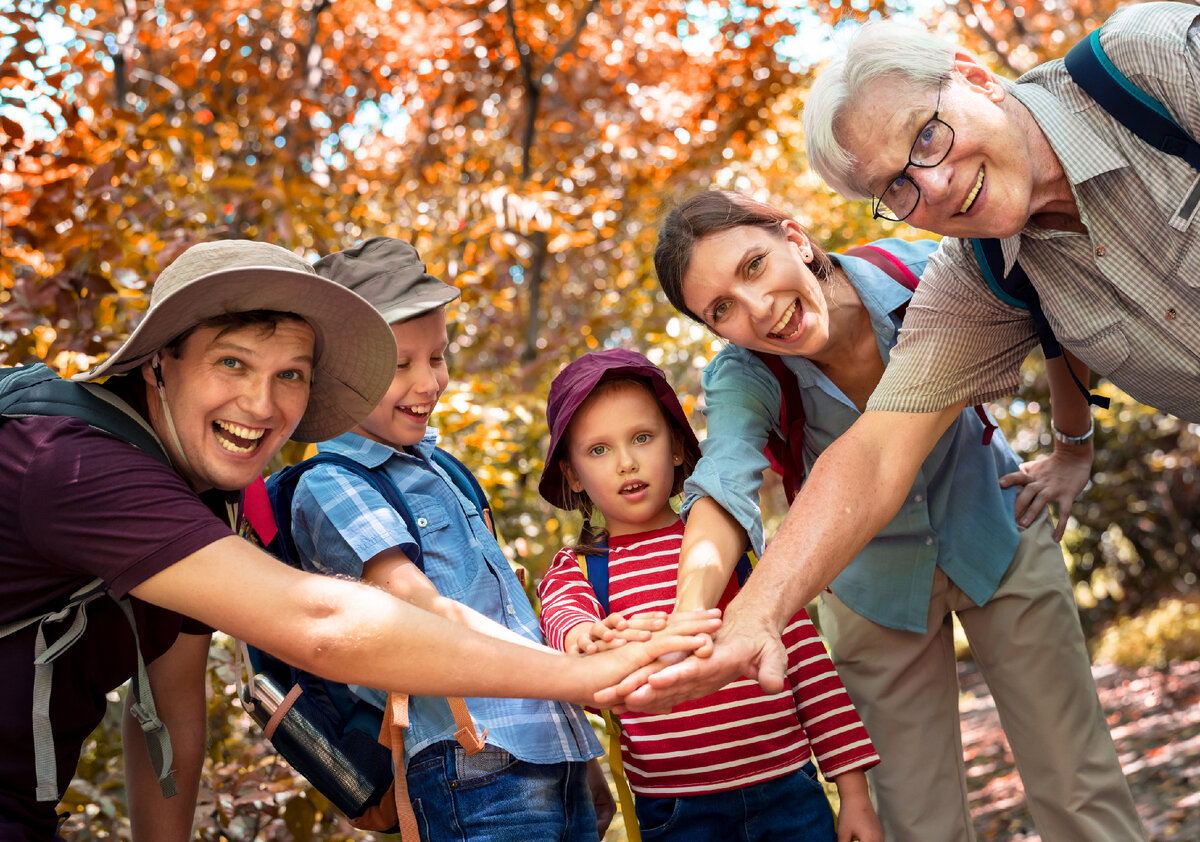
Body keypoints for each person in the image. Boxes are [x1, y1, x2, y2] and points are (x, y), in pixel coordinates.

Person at [617, 0, 1199, 766]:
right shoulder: (979, 278)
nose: (934, 182)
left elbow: (1059, 362)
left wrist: (1073, 446)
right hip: (879, 592)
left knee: (1076, 772)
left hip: (994, 548)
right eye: (896, 185)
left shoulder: (1153, 65)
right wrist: (744, 617)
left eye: (926, 135)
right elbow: (873, 455)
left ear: (972, 77)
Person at [0, 240, 719, 842]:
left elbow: (169, 715)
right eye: (232, 363)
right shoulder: (70, 462)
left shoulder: (201, 508)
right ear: (159, 360)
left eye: (291, 376)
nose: (261, 404)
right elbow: (320, 623)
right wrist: (589, 678)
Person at [631, 191, 1147, 842]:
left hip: (994, 531)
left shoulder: (928, 273)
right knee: (917, 824)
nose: (756, 310)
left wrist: (1074, 448)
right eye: (722, 310)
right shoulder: (744, 374)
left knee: (1078, 789)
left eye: (754, 266)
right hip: (871, 591)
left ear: (795, 238)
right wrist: (691, 614)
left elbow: (1044, 313)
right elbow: (725, 472)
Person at [290, 236, 611, 841]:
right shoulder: (335, 484)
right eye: (399, 364)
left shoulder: (441, 470)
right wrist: (572, 677)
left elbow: (504, 614)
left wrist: (576, 749)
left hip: (549, 749)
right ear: (337, 376)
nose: (429, 381)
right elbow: (420, 609)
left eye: (435, 356)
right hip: (470, 761)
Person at [536, 348, 882, 842]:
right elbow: (565, 623)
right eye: (598, 450)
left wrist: (854, 794)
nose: (626, 462)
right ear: (572, 474)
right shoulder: (581, 570)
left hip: (786, 788)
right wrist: (585, 638)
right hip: (677, 810)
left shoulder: (729, 547)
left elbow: (808, 666)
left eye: (641, 437)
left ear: (676, 447)